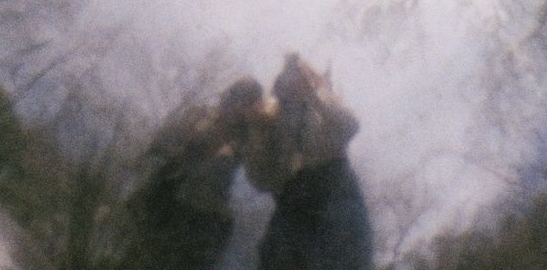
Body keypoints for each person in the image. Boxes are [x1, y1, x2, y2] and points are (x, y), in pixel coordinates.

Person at [243, 57, 373, 270]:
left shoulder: (325, 104)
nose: (293, 83)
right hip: (292, 203)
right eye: (286, 79)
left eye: (300, 76)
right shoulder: (272, 120)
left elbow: (350, 126)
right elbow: (263, 181)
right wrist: (256, 132)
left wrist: (313, 96)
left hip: (335, 191)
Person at [125, 79, 267, 270]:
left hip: (203, 220)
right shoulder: (199, 116)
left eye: (248, 103)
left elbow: (261, 177)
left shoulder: (248, 140)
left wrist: (259, 127)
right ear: (232, 97)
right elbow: (159, 148)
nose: (240, 107)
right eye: (240, 99)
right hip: (167, 201)